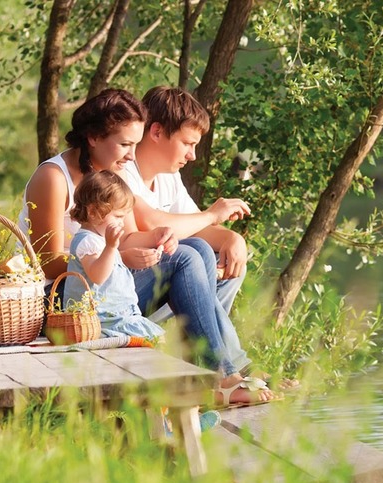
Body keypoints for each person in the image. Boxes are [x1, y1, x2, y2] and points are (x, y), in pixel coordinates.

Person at [18, 88, 275, 406]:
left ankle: (213, 372)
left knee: (192, 247)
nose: (130, 155)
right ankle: (220, 375)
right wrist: (120, 257)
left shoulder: (110, 174)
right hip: (62, 302)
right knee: (183, 257)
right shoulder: (53, 177)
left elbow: (126, 237)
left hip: (104, 290)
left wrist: (160, 237)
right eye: (125, 144)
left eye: (134, 145)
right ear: (94, 137)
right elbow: (51, 264)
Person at [124, 85, 296, 390]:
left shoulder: (168, 176)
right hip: (125, 291)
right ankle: (226, 372)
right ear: (156, 132)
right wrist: (213, 215)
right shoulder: (123, 169)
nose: (192, 155)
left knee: (226, 261)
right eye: (187, 144)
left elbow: (195, 226)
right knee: (192, 253)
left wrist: (232, 239)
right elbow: (151, 223)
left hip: (157, 285)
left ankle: (213, 361)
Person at [65, 169, 165, 341]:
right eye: (118, 216)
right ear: (93, 212)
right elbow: (97, 275)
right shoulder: (87, 241)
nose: (122, 223)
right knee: (153, 340)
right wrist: (111, 247)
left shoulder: (100, 241)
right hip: (100, 320)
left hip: (119, 314)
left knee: (157, 339)